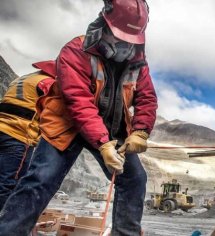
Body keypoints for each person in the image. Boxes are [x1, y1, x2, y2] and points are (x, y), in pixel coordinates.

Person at [0, 0, 157, 235]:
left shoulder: (138, 62)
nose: (124, 45)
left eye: (130, 40)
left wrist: (141, 131)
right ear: (103, 25)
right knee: (41, 179)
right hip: (67, 123)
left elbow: (147, 97)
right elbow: (79, 103)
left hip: (112, 127)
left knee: (135, 179)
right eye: (120, 37)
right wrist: (103, 144)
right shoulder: (75, 51)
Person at [0, 61, 55, 209]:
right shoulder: (48, 83)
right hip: (18, 135)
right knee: (10, 184)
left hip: (3, 130)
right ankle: (6, 226)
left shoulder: (24, 79)